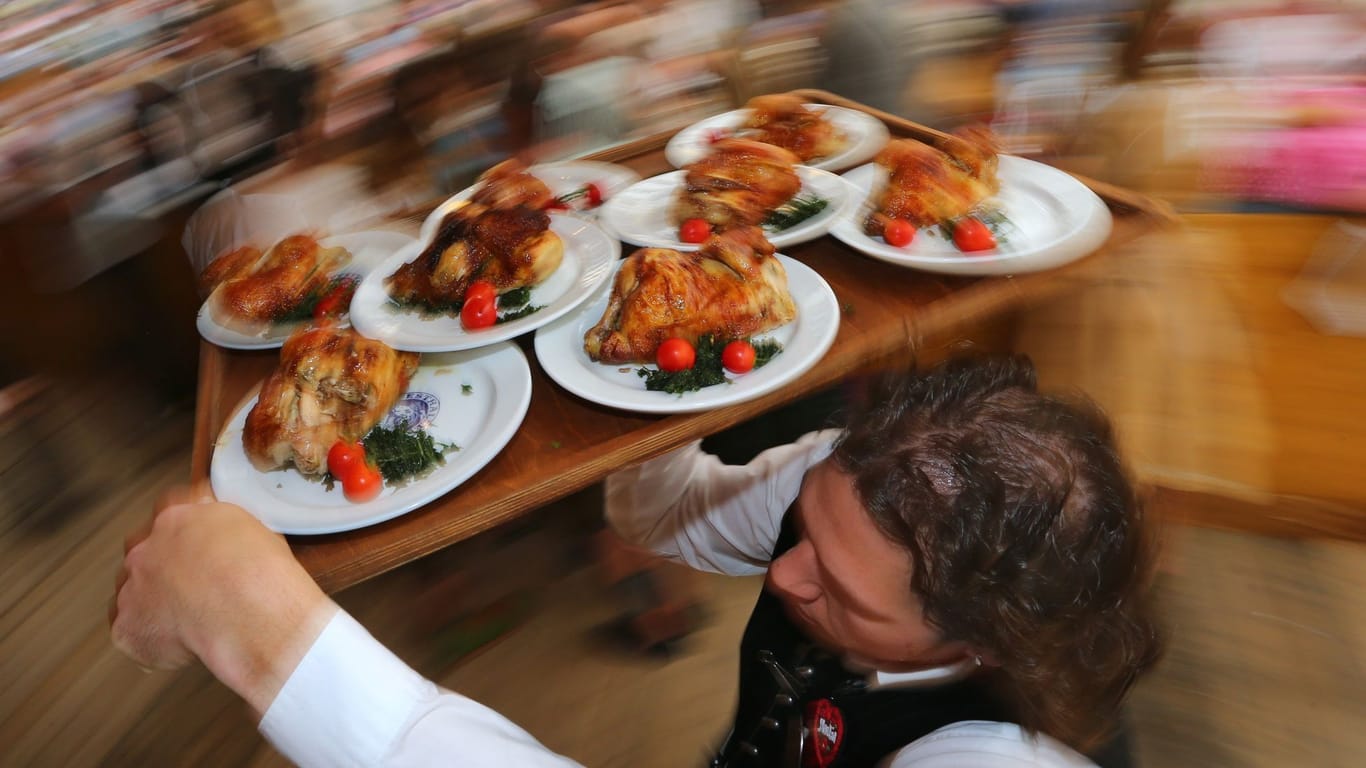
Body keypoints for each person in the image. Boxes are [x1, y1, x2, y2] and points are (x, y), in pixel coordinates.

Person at [110, 355, 1162, 767]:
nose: (788, 575)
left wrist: (262, 630)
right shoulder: (851, 482)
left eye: (839, 593)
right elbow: (666, 520)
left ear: (979, 640)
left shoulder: (1002, 758)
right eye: (808, 529)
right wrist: (653, 385)